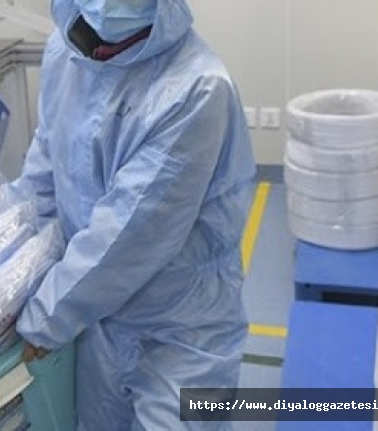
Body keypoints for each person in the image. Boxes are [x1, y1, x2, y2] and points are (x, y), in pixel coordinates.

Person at [15, 0, 256, 429]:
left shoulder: (196, 90)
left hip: (180, 331)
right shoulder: (66, 55)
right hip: (95, 320)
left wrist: (43, 317)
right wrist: (9, 270)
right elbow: (44, 172)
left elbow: (129, 236)